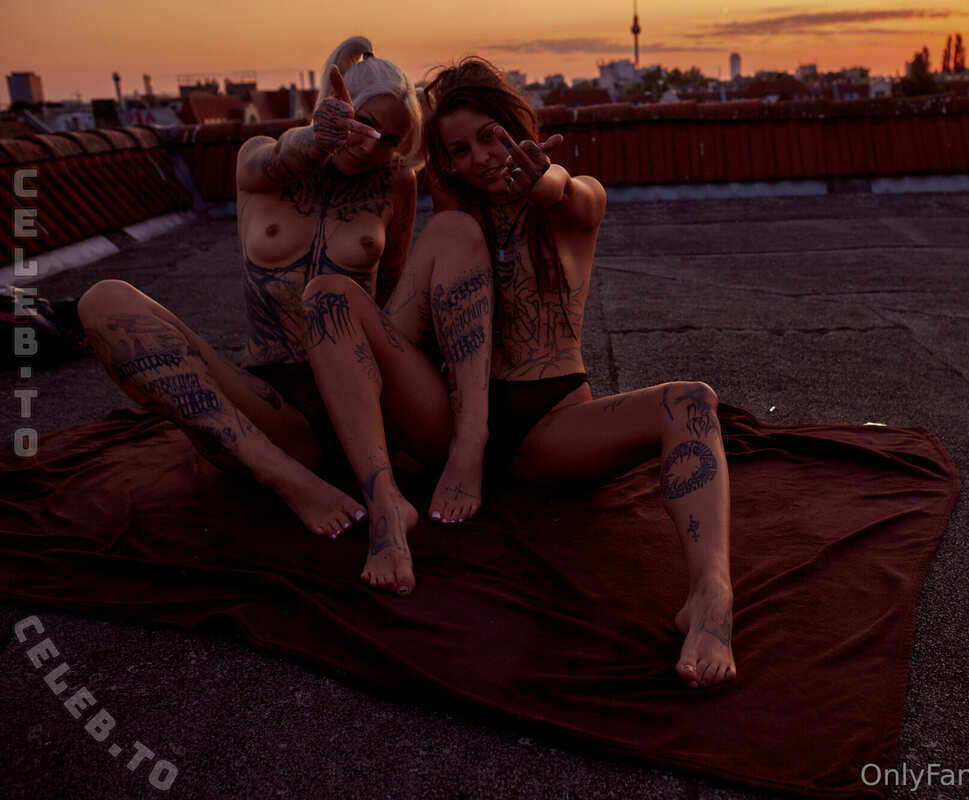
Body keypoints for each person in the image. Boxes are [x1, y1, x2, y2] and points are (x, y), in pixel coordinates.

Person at [429, 57, 737, 688]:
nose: (481, 158)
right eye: (460, 150)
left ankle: (711, 596)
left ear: (516, 128)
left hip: (552, 424)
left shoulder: (571, 198)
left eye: (489, 136)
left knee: (692, 400)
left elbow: (574, 193)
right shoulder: (456, 215)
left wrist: (547, 182)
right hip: (459, 420)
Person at [76, 37, 422, 547]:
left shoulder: (396, 182)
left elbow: (390, 296)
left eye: (390, 139)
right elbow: (282, 157)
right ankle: (285, 478)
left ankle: (344, 471)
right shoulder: (259, 160)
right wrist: (319, 137)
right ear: (334, 109)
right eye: (364, 125)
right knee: (103, 301)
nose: (372, 147)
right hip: (271, 414)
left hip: (357, 407)